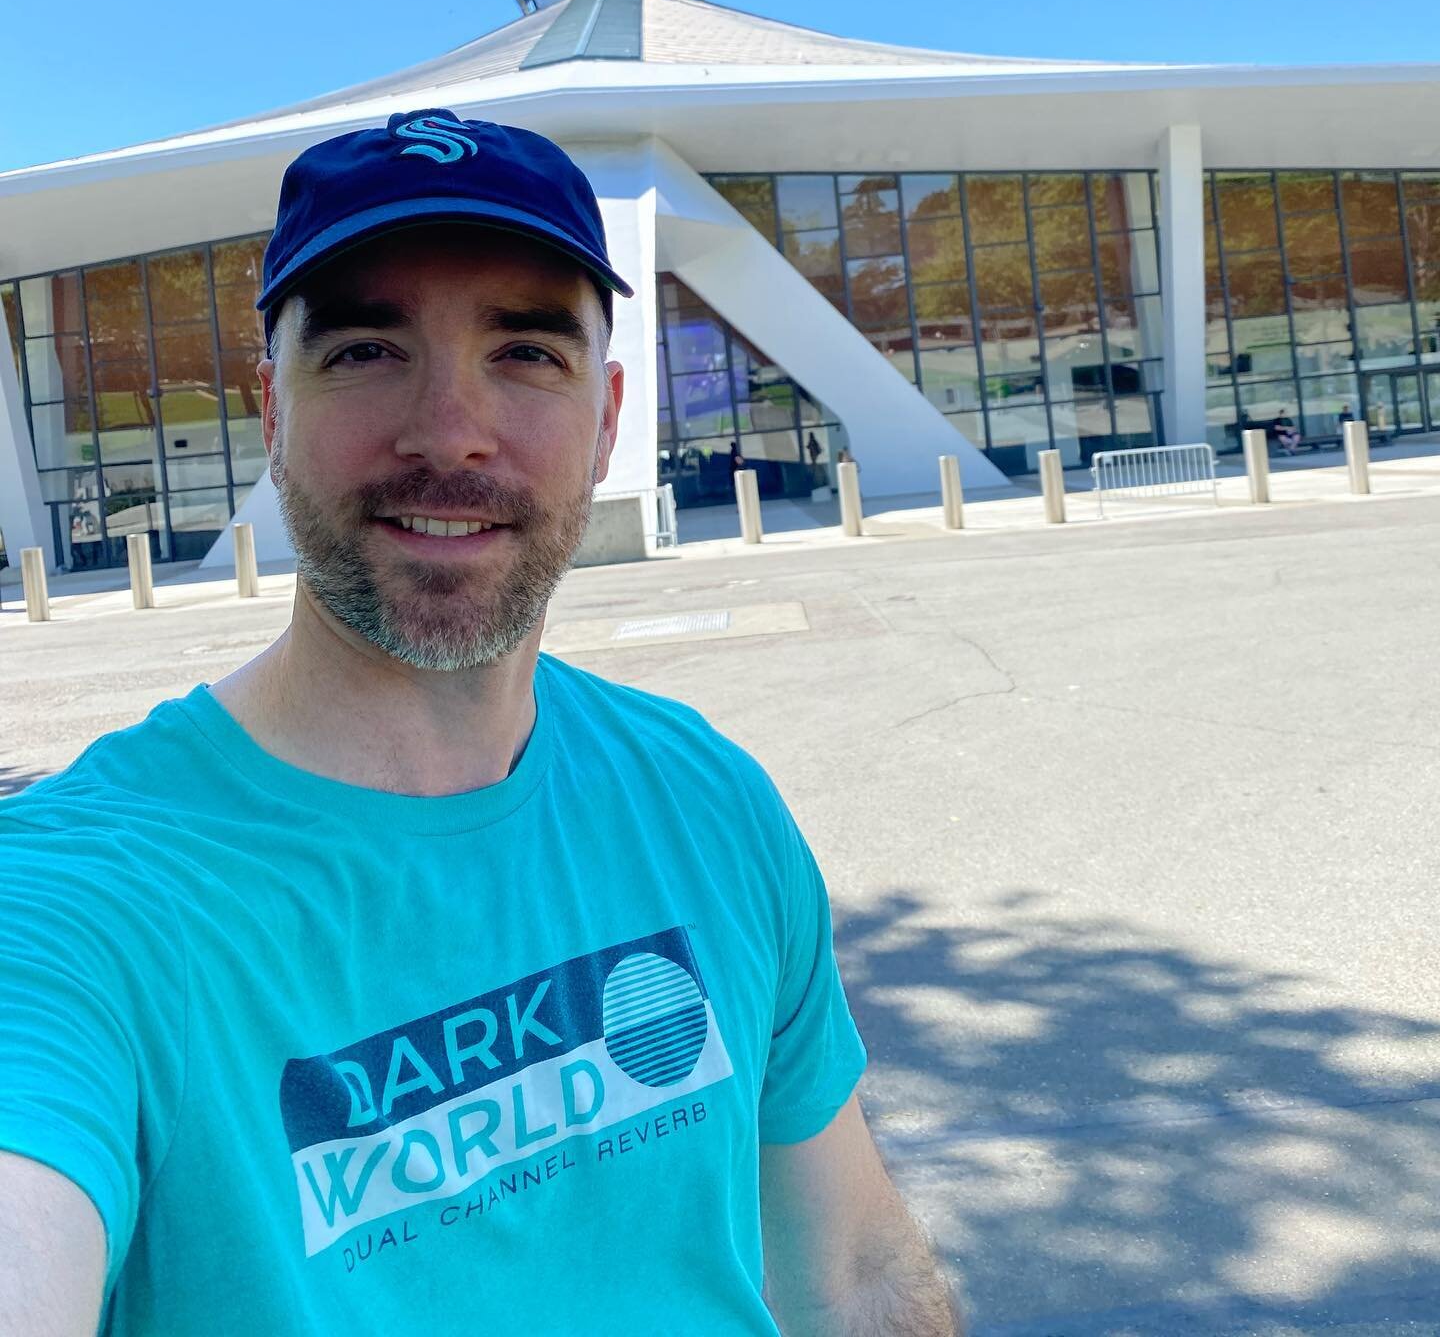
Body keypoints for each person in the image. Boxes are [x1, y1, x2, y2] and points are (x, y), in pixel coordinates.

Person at [0, 110, 956, 1337]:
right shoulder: (77, 904)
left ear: (607, 417)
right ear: (271, 410)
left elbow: (856, 1270)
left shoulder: (706, 800)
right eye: (362, 351)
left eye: (525, 353)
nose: (449, 429)